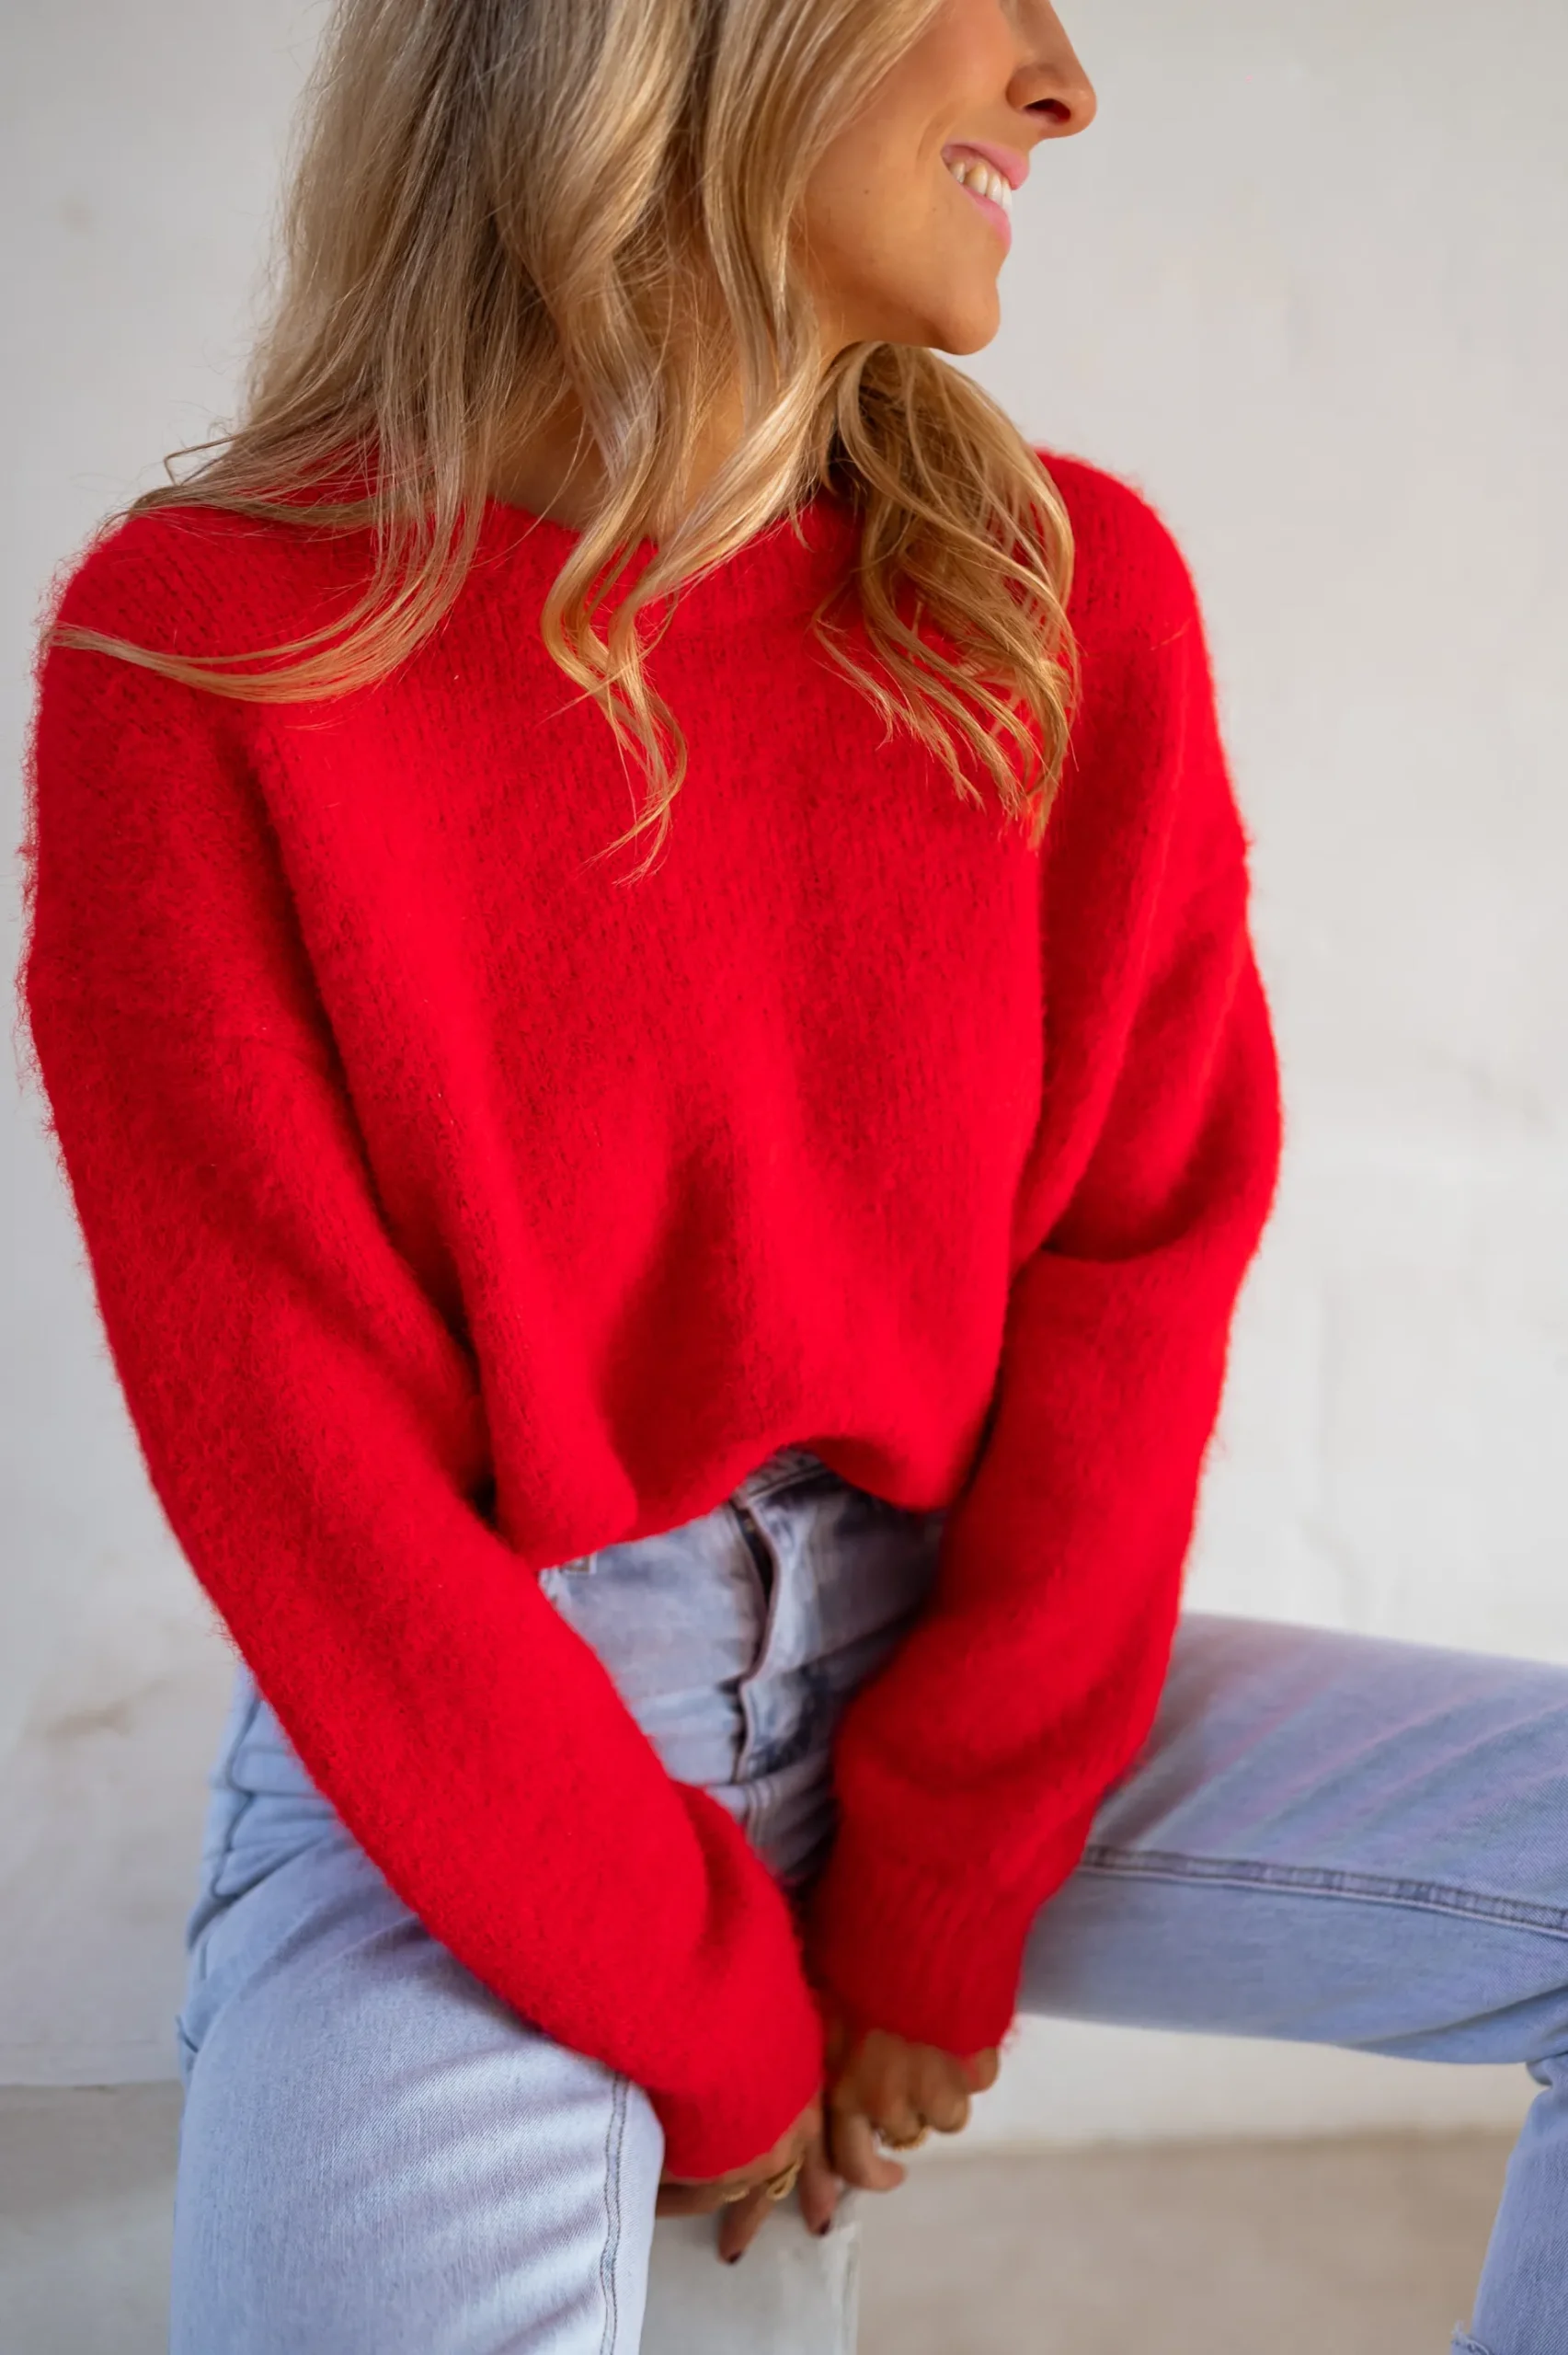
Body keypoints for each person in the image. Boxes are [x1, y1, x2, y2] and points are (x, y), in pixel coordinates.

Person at [15, 3, 1565, 2350]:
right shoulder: (206, 653)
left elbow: (1134, 1269)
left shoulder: (1062, 596)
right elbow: (297, 1462)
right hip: (479, 1742)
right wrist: (711, 2012)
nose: (1062, 83)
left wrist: (941, 1882)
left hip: (956, 1653)